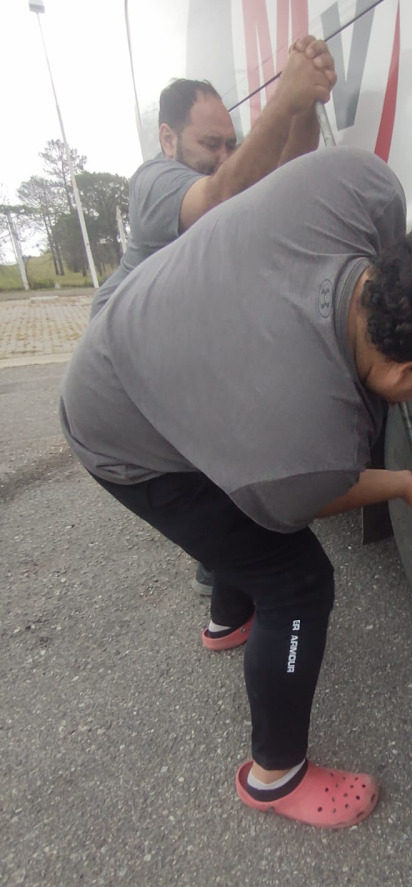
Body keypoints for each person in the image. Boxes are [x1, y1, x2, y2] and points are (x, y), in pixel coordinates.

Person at [60, 146, 412, 829]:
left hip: (138, 337)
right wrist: (401, 482)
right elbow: (300, 500)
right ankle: (274, 775)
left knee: (239, 511)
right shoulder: (302, 442)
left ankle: (227, 623)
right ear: (411, 372)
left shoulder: (356, 185)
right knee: (295, 579)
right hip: (120, 437)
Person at [92, 37, 336, 595]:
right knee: (202, 464)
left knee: (226, 452)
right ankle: (222, 567)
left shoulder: (216, 170)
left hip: (175, 349)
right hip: (122, 363)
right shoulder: (154, 180)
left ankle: (223, 573)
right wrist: (280, 100)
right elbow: (220, 202)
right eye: (210, 143)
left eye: (232, 143)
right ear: (168, 138)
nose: (225, 154)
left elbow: (285, 177)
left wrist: (304, 106)